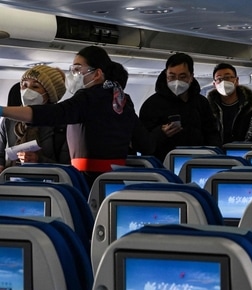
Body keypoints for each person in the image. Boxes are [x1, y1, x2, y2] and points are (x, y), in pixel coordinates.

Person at [0, 46, 155, 186]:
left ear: (97, 74)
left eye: (77, 69)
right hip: (115, 178)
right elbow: (145, 144)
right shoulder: (122, 99)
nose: (73, 75)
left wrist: (3, 111)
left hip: (85, 180)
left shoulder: (88, 98)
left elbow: (54, 113)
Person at [140, 53, 222, 161]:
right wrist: (160, 133)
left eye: (182, 77)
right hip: (163, 164)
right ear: (166, 75)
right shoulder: (151, 105)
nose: (176, 81)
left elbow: (212, 135)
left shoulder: (201, 103)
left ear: (191, 77)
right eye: (172, 76)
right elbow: (142, 143)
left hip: (197, 162)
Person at [0, 66, 70, 170]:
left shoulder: (61, 124)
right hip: (12, 181)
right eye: (24, 85)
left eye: (35, 87)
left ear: (49, 94)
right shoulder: (9, 120)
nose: (27, 91)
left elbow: (67, 166)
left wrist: (38, 160)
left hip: (48, 183)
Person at [206, 63, 252, 144]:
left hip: (243, 152)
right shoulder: (207, 107)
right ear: (214, 85)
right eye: (219, 79)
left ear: (236, 81)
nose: (223, 82)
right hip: (216, 153)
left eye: (227, 77)